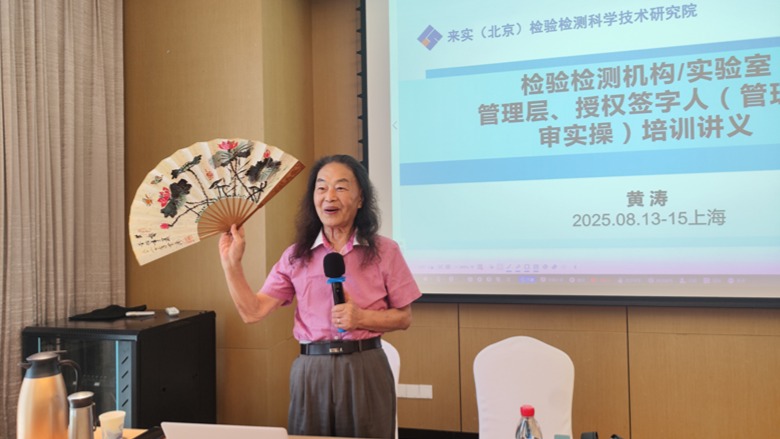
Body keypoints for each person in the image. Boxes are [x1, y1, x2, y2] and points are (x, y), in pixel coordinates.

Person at [218, 154, 422, 438]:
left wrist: (360, 317)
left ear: (360, 199)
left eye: (341, 187)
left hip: (365, 365)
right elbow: (253, 312)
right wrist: (232, 266)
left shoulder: (385, 251)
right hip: (311, 369)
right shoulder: (296, 256)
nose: (329, 196)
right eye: (321, 187)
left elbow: (404, 318)